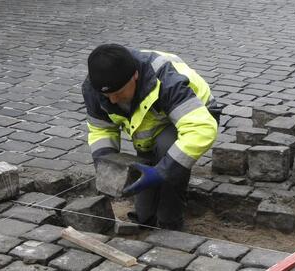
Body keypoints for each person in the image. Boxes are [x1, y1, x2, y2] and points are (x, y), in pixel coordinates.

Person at [83, 44, 219, 231]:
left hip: (196, 115)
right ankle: (145, 220)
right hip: (149, 125)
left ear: (135, 76)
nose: (113, 100)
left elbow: (200, 129)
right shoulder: (94, 88)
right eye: (107, 95)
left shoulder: (165, 81)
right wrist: (105, 162)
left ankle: (170, 224)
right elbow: (101, 130)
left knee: (167, 158)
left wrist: (163, 171)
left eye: (119, 93)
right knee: (144, 199)